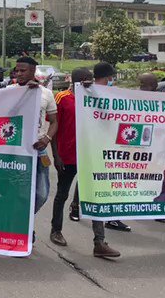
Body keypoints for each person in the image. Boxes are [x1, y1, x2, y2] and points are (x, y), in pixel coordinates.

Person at [48, 68, 120, 258]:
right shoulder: (63, 98)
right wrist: (56, 155)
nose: (89, 83)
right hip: (67, 156)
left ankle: (99, 242)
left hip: (90, 156)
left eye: (91, 80)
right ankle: (56, 230)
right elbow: (54, 126)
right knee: (62, 194)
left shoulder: (96, 97)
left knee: (96, 197)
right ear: (77, 82)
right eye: (85, 80)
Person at [88, 62, 132, 233]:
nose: (112, 80)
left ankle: (108, 218)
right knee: (107, 184)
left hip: (110, 144)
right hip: (100, 146)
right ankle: (107, 221)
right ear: (107, 78)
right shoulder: (90, 92)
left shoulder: (110, 93)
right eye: (111, 77)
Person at [12, 56, 57, 218]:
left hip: (38, 150)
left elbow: (54, 122)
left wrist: (47, 139)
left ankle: (24, 220)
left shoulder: (46, 94)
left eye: (23, 70)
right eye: (17, 70)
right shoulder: (10, 92)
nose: (19, 74)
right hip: (16, 151)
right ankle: (24, 229)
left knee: (42, 194)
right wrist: (24, 94)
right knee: (18, 194)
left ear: (32, 71)